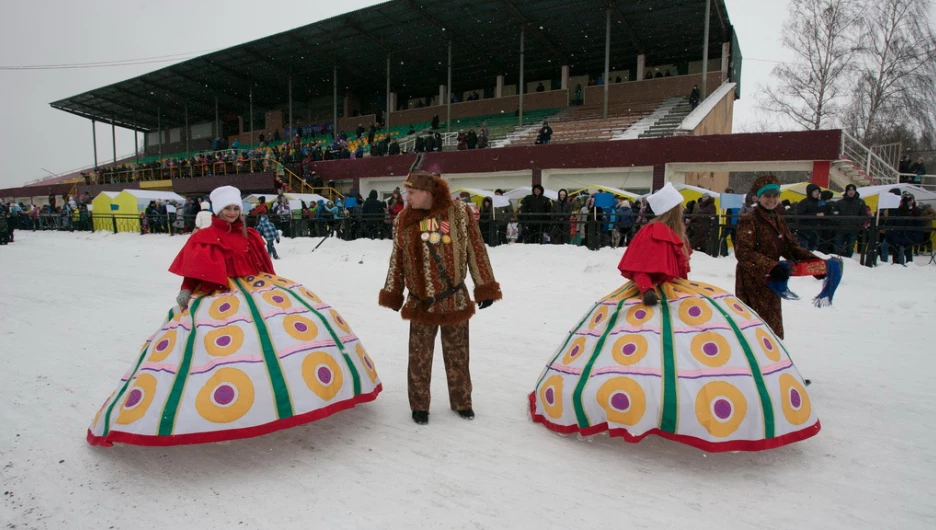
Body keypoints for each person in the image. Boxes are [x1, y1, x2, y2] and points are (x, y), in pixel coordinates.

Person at [528, 182, 820, 452]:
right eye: (680, 209)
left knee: (681, 351)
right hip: (650, 293)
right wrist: (646, 290)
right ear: (674, 211)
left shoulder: (676, 233)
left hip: (675, 291)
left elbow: (678, 267)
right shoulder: (654, 232)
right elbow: (641, 267)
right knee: (640, 352)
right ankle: (634, 403)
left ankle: (675, 403)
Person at [87, 186, 381, 447]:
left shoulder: (250, 235)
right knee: (217, 349)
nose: (231, 213)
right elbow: (195, 272)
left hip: (257, 289)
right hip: (219, 295)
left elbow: (265, 268)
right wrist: (186, 291)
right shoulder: (204, 238)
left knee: (281, 340)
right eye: (227, 208)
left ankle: (283, 398)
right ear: (217, 210)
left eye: (236, 208)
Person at [378, 172, 502, 425]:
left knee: (458, 354)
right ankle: (419, 406)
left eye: (411, 193)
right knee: (419, 356)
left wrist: (485, 285)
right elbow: (397, 260)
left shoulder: (459, 214)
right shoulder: (402, 219)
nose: (407, 197)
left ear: (428, 193)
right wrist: (393, 292)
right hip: (419, 301)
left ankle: (462, 402)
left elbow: (475, 250)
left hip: (454, 298)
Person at [734, 175, 824, 340]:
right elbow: (744, 253)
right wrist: (771, 266)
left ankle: (771, 357)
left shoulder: (777, 219)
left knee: (771, 324)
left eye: (775, 196)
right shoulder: (749, 221)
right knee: (755, 324)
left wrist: (818, 264)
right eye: (767, 196)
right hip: (752, 279)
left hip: (772, 279)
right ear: (758, 197)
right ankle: (755, 360)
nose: (772, 200)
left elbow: (791, 248)